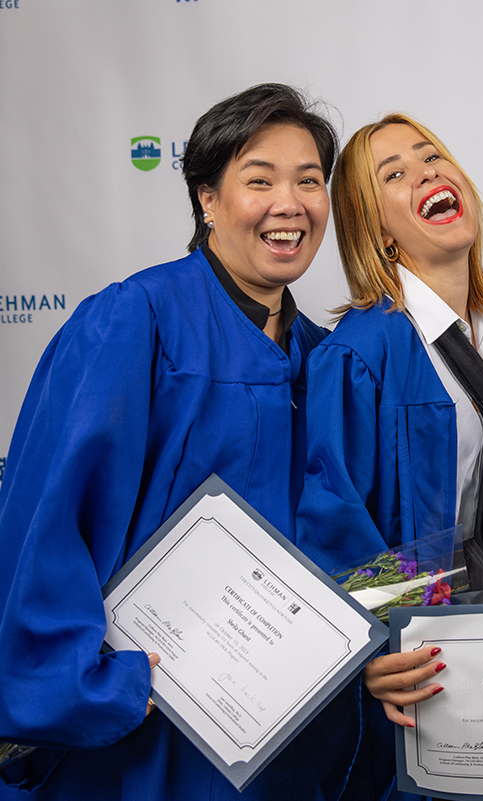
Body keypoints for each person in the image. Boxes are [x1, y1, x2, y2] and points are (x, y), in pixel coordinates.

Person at [0, 84, 380, 800]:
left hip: (280, 735)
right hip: (148, 731)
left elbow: (350, 535)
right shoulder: (135, 320)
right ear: (206, 197)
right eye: (258, 179)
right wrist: (91, 683)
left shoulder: (326, 357)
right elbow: (45, 522)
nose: (289, 203)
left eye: (308, 181)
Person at [295, 113, 483, 801]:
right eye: (396, 174)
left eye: (432, 156)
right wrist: (376, 649)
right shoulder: (365, 351)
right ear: (376, 227)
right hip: (420, 671)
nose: (428, 173)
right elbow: (330, 523)